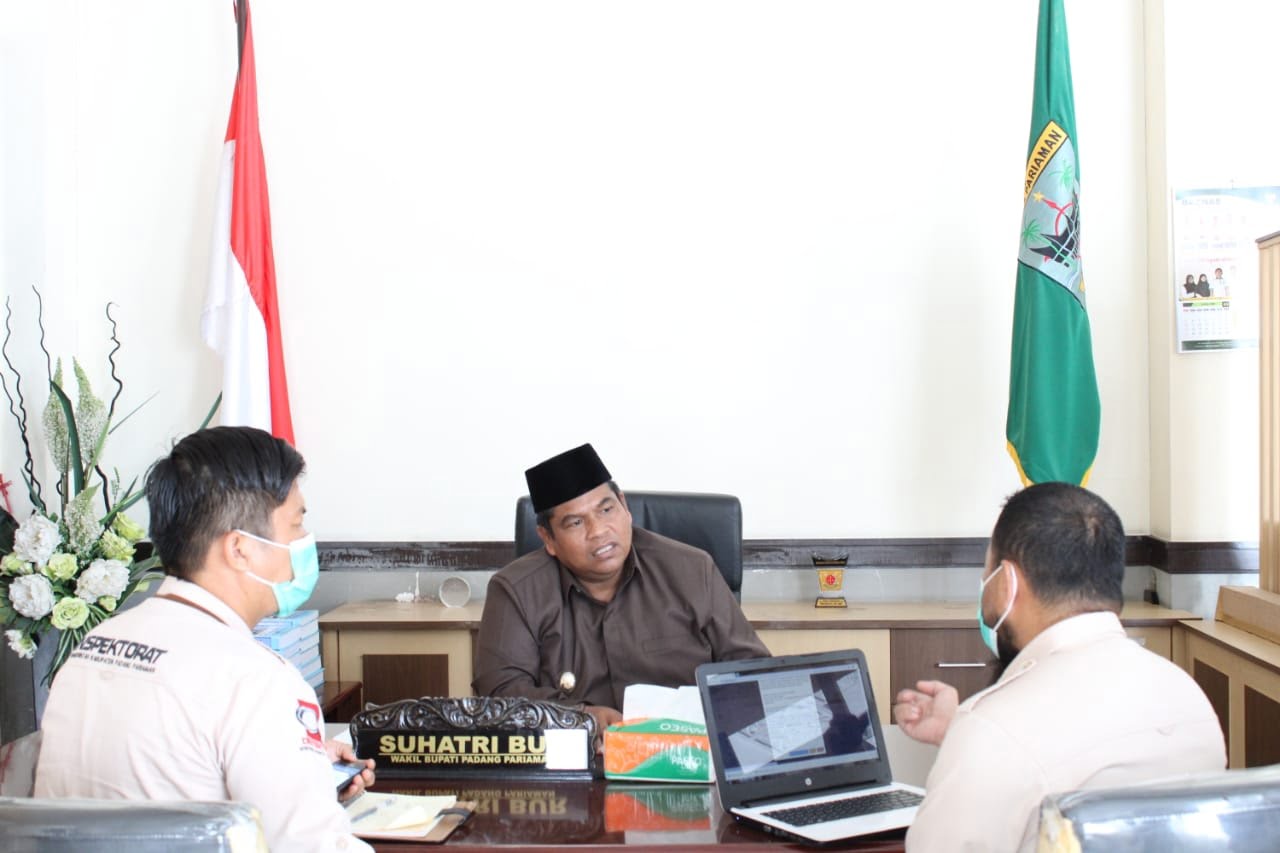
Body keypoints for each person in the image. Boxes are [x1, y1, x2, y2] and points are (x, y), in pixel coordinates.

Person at [35, 427, 375, 853]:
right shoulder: (258, 681)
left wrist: (299, 766)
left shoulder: (94, 646)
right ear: (239, 549)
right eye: (296, 524)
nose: (304, 542)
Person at [894, 482, 1225, 852]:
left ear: (1006, 583)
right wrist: (960, 732)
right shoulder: (1188, 696)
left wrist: (972, 735)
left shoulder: (992, 730)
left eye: (987, 568)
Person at [472, 443, 769, 736]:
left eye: (606, 510)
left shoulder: (692, 569)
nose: (599, 531)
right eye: (575, 523)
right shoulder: (516, 591)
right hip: (577, 756)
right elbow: (498, 696)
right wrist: (581, 717)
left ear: (624, 507)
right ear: (548, 538)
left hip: (687, 751)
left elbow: (753, 672)